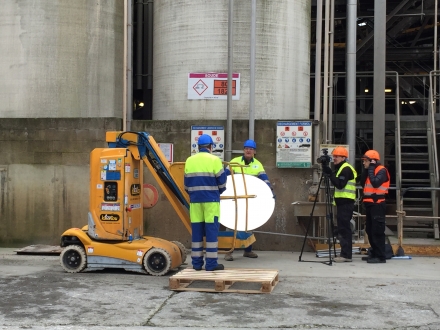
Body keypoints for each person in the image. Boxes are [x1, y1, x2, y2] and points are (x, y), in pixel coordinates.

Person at [223, 139, 274, 261]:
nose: (248, 150)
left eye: (251, 149)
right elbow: (224, 177)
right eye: (246, 148)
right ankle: (229, 252)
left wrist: (270, 191)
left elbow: (264, 180)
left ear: (254, 152)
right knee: (231, 224)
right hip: (234, 198)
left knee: (249, 224)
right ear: (243, 150)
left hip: (249, 200)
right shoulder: (234, 162)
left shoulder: (258, 165)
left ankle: (248, 251)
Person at [184, 134, 227, 271]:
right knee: (211, 232)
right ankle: (211, 264)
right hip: (211, 202)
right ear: (211, 147)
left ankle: (196, 264)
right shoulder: (215, 160)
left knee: (196, 232)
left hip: (195, 202)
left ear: (198, 147)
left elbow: (186, 185)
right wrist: (216, 192)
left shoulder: (189, 161)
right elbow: (222, 183)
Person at [322, 146, 357, 263]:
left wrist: (330, 175)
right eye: (334, 156)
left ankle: (346, 255)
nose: (334, 158)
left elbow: (340, 184)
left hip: (346, 203)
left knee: (344, 229)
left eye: (337, 156)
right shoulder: (341, 168)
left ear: (343, 157)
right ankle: (345, 254)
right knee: (342, 228)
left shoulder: (345, 169)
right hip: (343, 202)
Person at [360, 149, 390, 264]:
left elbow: (375, 183)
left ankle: (380, 256)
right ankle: (374, 252)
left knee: (377, 230)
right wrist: (366, 170)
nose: (363, 163)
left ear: (372, 161)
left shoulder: (381, 170)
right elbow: (363, 182)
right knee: (370, 229)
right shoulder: (370, 171)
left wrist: (371, 169)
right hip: (370, 204)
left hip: (377, 204)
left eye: (365, 161)